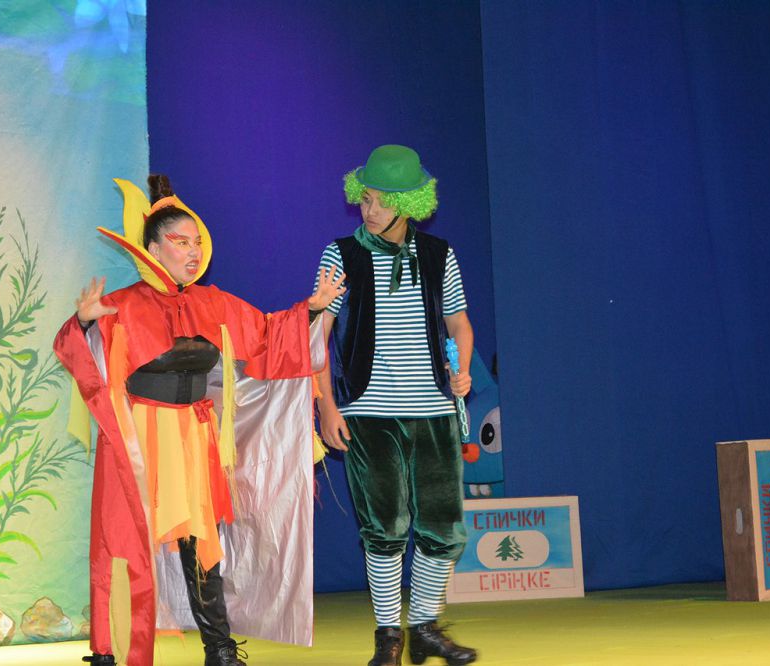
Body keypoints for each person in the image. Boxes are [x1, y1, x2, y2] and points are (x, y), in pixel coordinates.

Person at [54, 174, 344, 666]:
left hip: (191, 433)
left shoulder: (211, 302)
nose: (192, 252)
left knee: (200, 541)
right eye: (180, 242)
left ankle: (220, 648)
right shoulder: (121, 305)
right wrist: (83, 323)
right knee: (123, 539)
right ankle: (111, 650)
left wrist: (310, 311)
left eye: (196, 243)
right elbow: (76, 356)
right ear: (152, 249)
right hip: (138, 437)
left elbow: (267, 336)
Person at [314, 145, 478, 666]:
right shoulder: (340, 255)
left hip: (434, 410)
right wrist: (326, 405)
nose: (370, 209)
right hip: (369, 412)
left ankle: (425, 625)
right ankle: (389, 635)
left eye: (382, 201)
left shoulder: (439, 254)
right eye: (365, 199)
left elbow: (459, 322)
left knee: (443, 527)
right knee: (384, 526)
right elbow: (317, 336)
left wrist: (462, 369)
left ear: (409, 203)